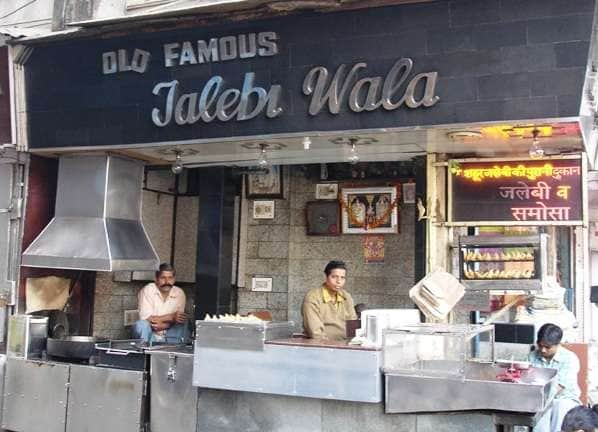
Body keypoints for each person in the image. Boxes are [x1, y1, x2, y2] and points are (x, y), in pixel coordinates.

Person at [528, 323, 581, 432]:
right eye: (540, 345)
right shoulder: (532, 356)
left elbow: (557, 388)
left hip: (564, 398)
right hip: (539, 401)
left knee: (559, 412)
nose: (542, 350)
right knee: (540, 425)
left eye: (547, 347)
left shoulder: (569, 359)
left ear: (558, 344)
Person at [132, 263, 189, 344]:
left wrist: (165, 325)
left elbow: (179, 319)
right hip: (149, 335)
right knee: (141, 325)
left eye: (170, 278)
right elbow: (146, 319)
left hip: (171, 334)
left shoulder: (179, 293)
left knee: (184, 325)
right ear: (156, 279)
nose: (167, 282)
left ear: (174, 279)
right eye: (163, 278)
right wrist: (171, 316)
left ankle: (172, 351)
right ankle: (146, 352)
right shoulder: (148, 290)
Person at [302, 260, 357, 341]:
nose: (339, 281)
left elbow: (352, 327)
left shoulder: (346, 297)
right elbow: (316, 333)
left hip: (346, 346)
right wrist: (332, 348)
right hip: (321, 347)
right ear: (326, 277)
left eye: (342, 278)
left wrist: (353, 345)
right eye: (334, 277)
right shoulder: (312, 297)